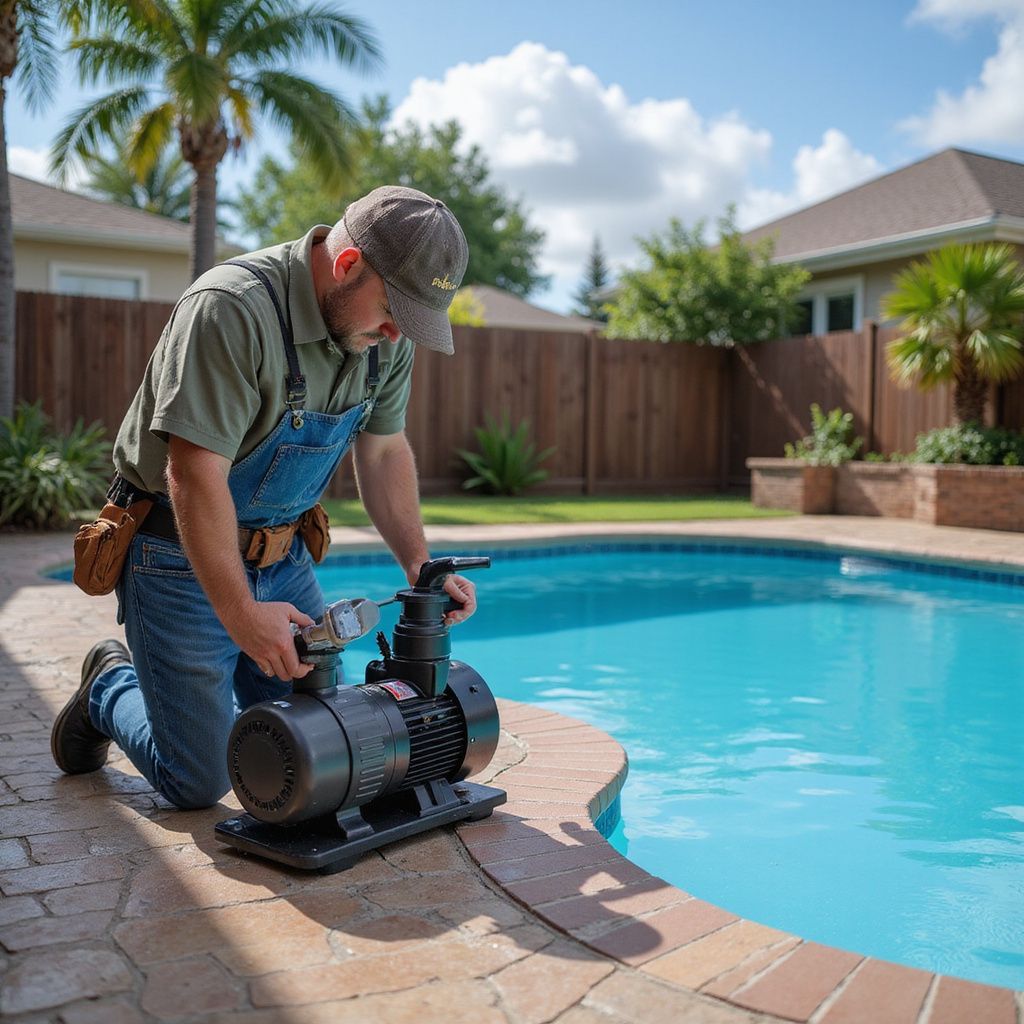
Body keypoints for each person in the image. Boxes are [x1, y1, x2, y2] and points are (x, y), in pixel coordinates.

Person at [50, 185, 477, 809]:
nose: (393, 333)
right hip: (175, 556)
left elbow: (384, 452)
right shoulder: (232, 308)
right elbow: (194, 475)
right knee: (197, 783)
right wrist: (242, 615)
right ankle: (109, 686)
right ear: (347, 265)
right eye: (392, 311)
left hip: (283, 556)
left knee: (324, 745)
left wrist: (420, 566)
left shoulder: (387, 338)